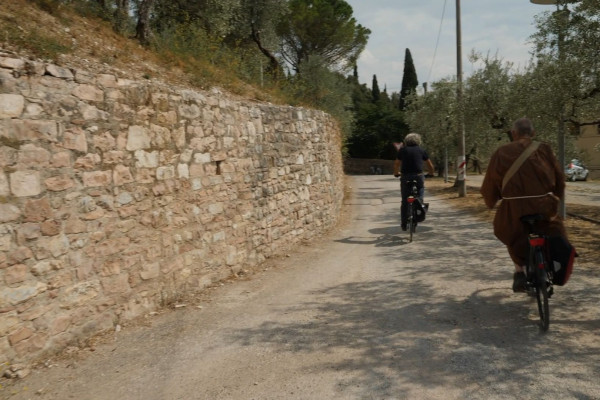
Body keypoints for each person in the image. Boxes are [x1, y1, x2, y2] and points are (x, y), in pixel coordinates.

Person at [480, 117, 567, 292]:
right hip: (544, 205)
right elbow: (560, 179)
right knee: (552, 230)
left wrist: (491, 201)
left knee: (510, 233)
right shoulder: (545, 149)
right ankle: (548, 265)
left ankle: (520, 270)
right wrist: (556, 197)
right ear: (533, 133)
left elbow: (490, 183)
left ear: (514, 134)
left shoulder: (501, 152)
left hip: (514, 209)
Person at [393, 133, 435, 231]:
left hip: (405, 176)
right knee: (420, 190)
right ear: (418, 141)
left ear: (406, 141)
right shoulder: (421, 150)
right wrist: (431, 173)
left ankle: (404, 223)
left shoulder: (402, 150)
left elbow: (396, 164)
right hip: (418, 176)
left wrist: (396, 173)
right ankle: (419, 202)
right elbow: (429, 164)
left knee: (404, 201)